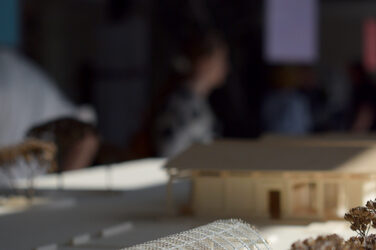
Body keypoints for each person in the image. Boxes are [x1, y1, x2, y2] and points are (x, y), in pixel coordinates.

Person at [154, 31, 229, 157]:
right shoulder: (182, 106)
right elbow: (171, 155)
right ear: (204, 63)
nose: (226, 68)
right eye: (221, 60)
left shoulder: (195, 102)